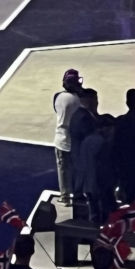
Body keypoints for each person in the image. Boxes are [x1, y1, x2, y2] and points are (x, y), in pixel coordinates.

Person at [52, 68, 85, 205]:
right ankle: (78, 194)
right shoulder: (78, 100)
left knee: (63, 169)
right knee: (78, 169)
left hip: (61, 138)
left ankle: (65, 197)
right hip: (75, 139)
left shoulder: (57, 96)